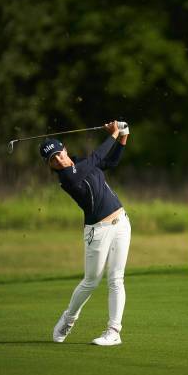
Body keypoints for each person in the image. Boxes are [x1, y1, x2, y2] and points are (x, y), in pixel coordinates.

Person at [40, 120, 131, 346]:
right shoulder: (68, 178)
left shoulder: (80, 162)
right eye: (53, 160)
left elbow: (110, 161)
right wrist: (112, 135)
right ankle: (69, 319)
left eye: (59, 154)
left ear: (65, 150)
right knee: (91, 281)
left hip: (121, 223)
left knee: (116, 279)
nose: (59, 159)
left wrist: (123, 137)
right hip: (97, 231)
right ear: (51, 165)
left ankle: (114, 331)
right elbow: (97, 158)